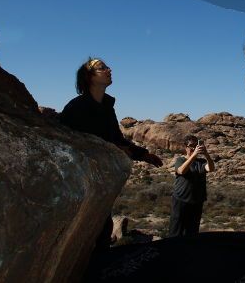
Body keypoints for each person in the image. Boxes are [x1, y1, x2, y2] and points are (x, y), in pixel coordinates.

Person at [59, 57, 163, 250]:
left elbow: (117, 139)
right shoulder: (76, 108)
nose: (109, 69)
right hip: (79, 187)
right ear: (89, 77)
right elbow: (68, 141)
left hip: (100, 186)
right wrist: (108, 148)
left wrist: (143, 154)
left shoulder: (107, 107)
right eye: (102, 68)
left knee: (102, 233)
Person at [169, 134, 214, 237]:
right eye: (191, 146)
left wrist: (206, 154)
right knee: (176, 229)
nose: (194, 148)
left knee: (192, 230)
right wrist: (193, 156)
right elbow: (181, 171)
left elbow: (211, 168)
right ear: (186, 147)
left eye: (196, 146)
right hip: (181, 199)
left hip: (197, 201)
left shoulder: (201, 162)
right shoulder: (180, 160)